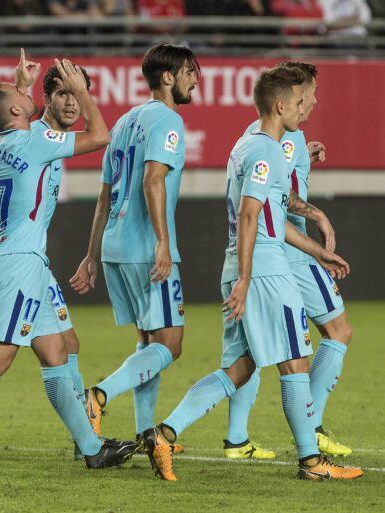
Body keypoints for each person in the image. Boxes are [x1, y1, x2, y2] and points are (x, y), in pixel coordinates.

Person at [143, 65, 363, 481]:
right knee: (296, 362)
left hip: (247, 264)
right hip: (262, 270)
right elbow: (249, 215)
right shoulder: (264, 152)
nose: (307, 107)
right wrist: (245, 279)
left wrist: (320, 252)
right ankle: (312, 463)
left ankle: (164, 433)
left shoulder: (251, 145)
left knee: (241, 367)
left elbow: (272, 218)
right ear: (281, 105)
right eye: (300, 101)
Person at [0, 50, 136, 480]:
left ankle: (90, 447)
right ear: (28, 107)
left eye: (75, 94)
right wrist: (83, 94)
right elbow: (100, 135)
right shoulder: (36, 138)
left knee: (60, 347)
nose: (70, 102)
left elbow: (5, 116)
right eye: (61, 94)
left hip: (4, 256)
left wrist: (20, 89)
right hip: (19, 262)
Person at [69, 43, 198, 452]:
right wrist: (163, 242)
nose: (196, 78)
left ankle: (146, 433)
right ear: (167, 77)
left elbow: (104, 198)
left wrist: (92, 255)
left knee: (148, 342)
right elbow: (152, 180)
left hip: (114, 247)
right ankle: (99, 395)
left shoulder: (124, 123)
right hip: (146, 247)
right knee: (169, 346)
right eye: (189, 71)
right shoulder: (169, 121)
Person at [224, 61, 355, 459]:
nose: (311, 102)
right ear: (286, 101)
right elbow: (269, 203)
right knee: (337, 331)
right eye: (307, 95)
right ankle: (310, 431)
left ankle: (235, 437)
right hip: (284, 252)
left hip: (270, 251)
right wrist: (315, 217)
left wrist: (305, 157)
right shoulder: (280, 137)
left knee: (248, 355)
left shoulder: (263, 136)